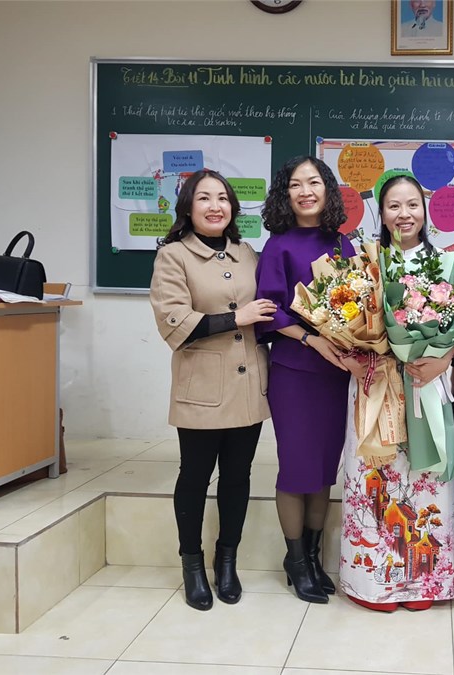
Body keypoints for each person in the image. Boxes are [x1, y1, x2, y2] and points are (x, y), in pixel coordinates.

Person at [150, 169, 277, 611]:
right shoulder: (173, 256)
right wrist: (236, 318)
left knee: (238, 476)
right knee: (194, 476)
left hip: (249, 385)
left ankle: (227, 561)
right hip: (201, 388)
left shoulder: (247, 253)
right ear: (188, 206)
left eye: (222, 197)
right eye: (204, 197)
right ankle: (192, 565)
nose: (215, 205)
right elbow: (173, 322)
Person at [338, 175, 454, 612]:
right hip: (375, 385)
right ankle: (374, 584)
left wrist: (443, 359)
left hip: (424, 382)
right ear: (382, 212)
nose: (404, 214)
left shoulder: (446, 265)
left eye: (412, 205)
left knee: (424, 479)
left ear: (424, 212)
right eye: (394, 206)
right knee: (377, 475)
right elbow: (345, 320)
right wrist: (355, 354)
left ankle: (423, 584)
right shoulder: (365, 264)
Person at [255, 156, 354, 604]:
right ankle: (295, 560)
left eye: (314, 182)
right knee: (297, 468)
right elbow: (268, 310)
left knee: (324, 468)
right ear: (285, 194)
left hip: (335, 373)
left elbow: (356, 304)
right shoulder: (278, 246)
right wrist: (312, 339)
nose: (305, 191)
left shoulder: (342, 243)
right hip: (295, 371)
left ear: (327, 190)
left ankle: (313, 557)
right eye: (296, 185)